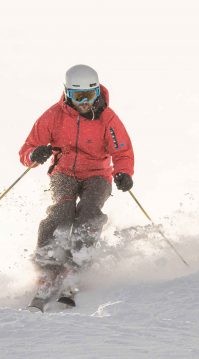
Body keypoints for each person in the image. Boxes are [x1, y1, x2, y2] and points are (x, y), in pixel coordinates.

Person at [19, 64, 134, 311]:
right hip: (64, 173)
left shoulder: (108, 118)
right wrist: (35, 154)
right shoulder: (53, 116)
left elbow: (121, 150)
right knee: (61, 213)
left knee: (90, 212)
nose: (83, 102)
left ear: (97, 93)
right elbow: (26, 151)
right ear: (67, 93)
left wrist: (123, 173)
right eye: (77, 96)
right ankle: (47, 270)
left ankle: (76, 268)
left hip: (97, 175)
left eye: (89, 96)